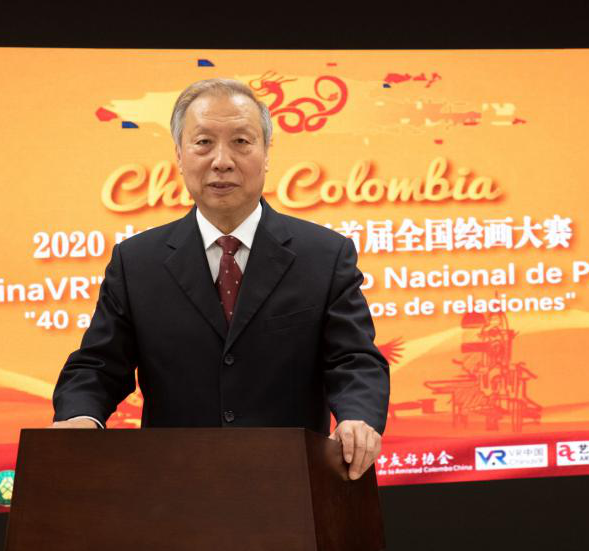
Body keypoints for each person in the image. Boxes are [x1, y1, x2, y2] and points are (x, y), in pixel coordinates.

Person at [51, 78, 389, 480]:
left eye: (241, 142)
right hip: (173, 487)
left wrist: (356, 417)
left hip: (291, 484)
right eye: (203, 143)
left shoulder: (324, 256)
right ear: (179, 155)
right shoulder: (137, 262)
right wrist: (80, 416)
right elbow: (98, 365)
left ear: (266, 153)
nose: (222, 161)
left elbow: (354, 359)